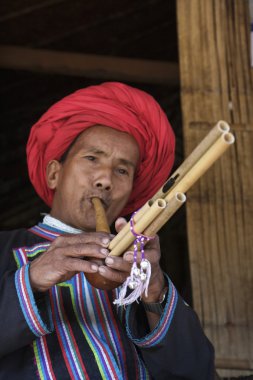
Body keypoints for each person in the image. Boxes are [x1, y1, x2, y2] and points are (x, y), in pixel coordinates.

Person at [0, 82, 215, 379]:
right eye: (92, 158)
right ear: (54, 173)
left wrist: (154, 291)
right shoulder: (6, 248)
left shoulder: (138, 268)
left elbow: (197, 371)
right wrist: (33, 279)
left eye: (122, 170)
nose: (105, 179)